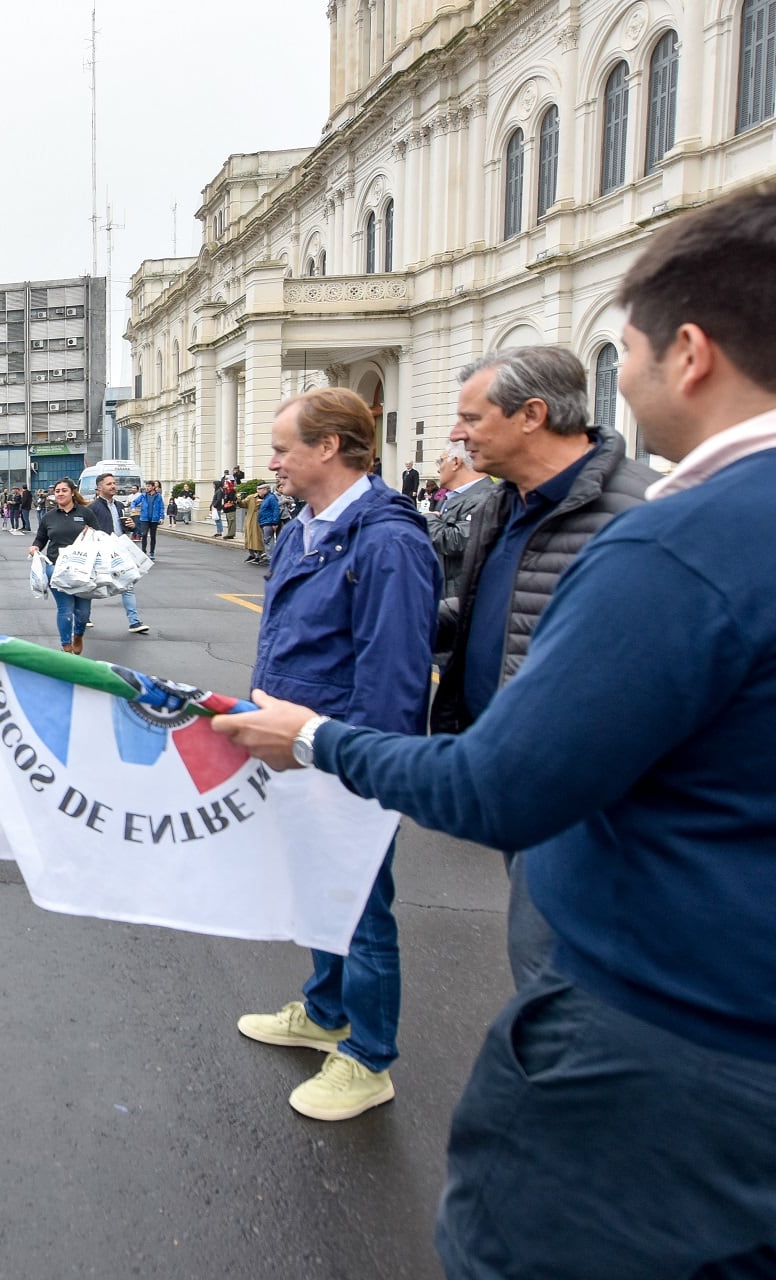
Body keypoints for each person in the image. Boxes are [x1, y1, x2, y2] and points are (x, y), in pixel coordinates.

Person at [214, 185, 776, 1279]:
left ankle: (364, 1044)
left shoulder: (676, 541)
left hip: (663, 1031)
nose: (459, 433)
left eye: (633, 354)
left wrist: (334, 749)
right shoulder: (517, 514)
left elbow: (502, 774)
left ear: (692, 354)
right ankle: (327, 1010)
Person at [231, 387, 438, 1122]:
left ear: (328, 448)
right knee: (322, 890)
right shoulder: (301, 530)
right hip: (293, 750)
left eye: (283, 448)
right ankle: (326, 1013)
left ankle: (369, 1057)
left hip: (345, 756)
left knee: (361, 906)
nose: (271, 463)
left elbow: (393, 677)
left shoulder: (388, 542)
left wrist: (363, 766)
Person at [435, 345, 657, 987]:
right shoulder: (505, 503)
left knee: (559, 967)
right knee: (539, 952)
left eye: (473, 418)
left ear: (531, 414)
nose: (456, 433)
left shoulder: (640, 513)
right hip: (518, 773)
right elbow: (487, 610)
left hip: (586, 797)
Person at [29, 478, 96, 654]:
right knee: (65, 609)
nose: (59, 493)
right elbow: (41, 537)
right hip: (56, 567)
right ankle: (66, 645)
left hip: (83, 568)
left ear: (72, 492)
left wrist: (92, 534)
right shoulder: (49, 517)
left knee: (83, 612)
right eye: (57, 491)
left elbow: (100, 536)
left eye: (63, 490)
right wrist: (35, 546)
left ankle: (78, 635)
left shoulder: (85, 513)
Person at [84, 472, 150, 635]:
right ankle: (84, 617)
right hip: (101, 552)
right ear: (99, 488)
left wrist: (131, 526)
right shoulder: (92, 508)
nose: (113, 486)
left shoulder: (120, 506)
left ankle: (134, 622)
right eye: (109, 484)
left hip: (120, 551)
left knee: (127, 584)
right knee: (92, 585)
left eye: (114, 483)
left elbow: (128, 528)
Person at [424, 442, 489, 588]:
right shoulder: (448, 498)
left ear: (455, 462)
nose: (439, 469)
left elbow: (457, 541)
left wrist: (428, 519)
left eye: (441, 461)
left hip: (462, 599)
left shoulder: (487, 497)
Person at [255, 483, 282, 563]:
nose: (258, 491)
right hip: (265, 522)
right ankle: (269, 557)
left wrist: (275, 522)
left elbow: (276, 510)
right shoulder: (267, 498)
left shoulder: (271, 498)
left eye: (260, 489)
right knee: (267, 541)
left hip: (268, 522)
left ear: (265, 490)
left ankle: (271, 558)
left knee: (268, 541)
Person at [241, 485, 266, 565]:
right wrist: (238, 500)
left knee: (259, 538)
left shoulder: (268, 498)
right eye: (258, 489)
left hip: (262, 521)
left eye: (260, 489)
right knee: (249, 537)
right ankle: (251, 554)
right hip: (250, 520)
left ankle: (259, 555)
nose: (258, 490)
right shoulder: (251, 497)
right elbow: (243, 504)